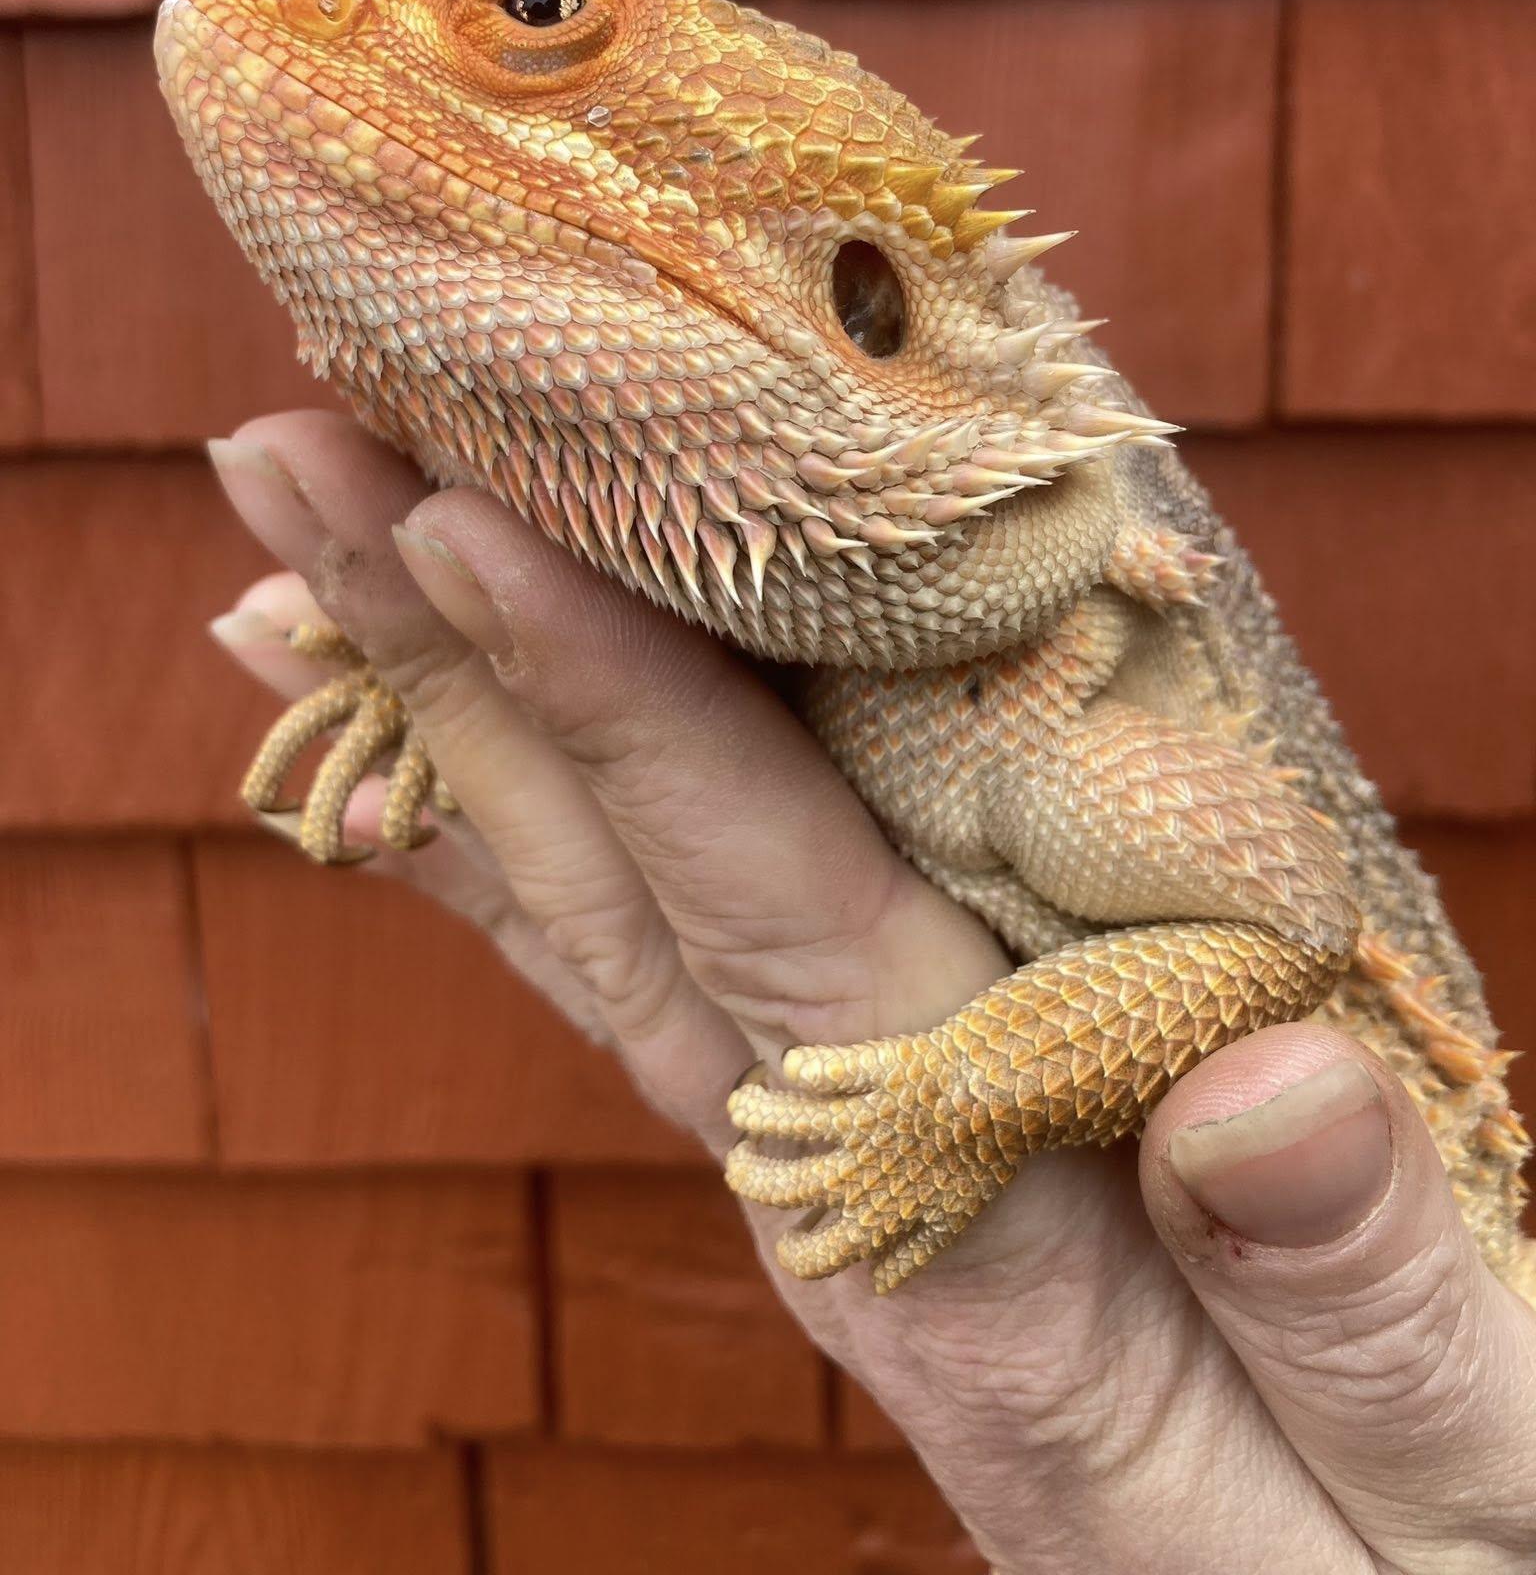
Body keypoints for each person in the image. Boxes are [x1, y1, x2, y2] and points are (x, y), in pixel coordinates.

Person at [207, 409, 1536, 1575]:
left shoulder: (1047, 681)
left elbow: (1281, 928)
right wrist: (464, 683)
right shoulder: (791, 570)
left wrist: (966, 1094)